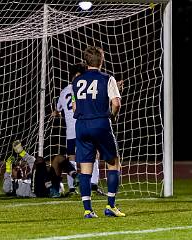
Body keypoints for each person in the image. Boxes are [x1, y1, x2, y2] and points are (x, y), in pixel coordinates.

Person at [72, 46, 125, 218]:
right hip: (100, 123)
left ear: (85, 61)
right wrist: (112, 116)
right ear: (101, 61)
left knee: (85, 168)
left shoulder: (76, 81)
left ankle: (88, 210)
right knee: (113, 162)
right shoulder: (107, 79)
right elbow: (116, 103)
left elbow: (74, 106)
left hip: (80, 125)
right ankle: (110, 206)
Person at [52, 62, 105, 196]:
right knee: (94, 154)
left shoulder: (64, 91)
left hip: (70, 131)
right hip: (84, 126)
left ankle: (72, 189)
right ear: (78, 75)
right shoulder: (83, 87)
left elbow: (58, 110)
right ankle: (93, 185)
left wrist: (56, 113)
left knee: (72, 158)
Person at [3, 140, 78, 198]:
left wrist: (20, 152)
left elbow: (31, 160)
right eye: (15, 169)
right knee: (39, 160)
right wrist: (8, 168)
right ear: (11, 175)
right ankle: (50, 188)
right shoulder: (13, 185)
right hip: (37, 191)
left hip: (50, 187)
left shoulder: (31, 175)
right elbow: (6, 189)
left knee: (59, 158)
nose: (18, 168)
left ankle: (75, 176)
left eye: (18, 167)